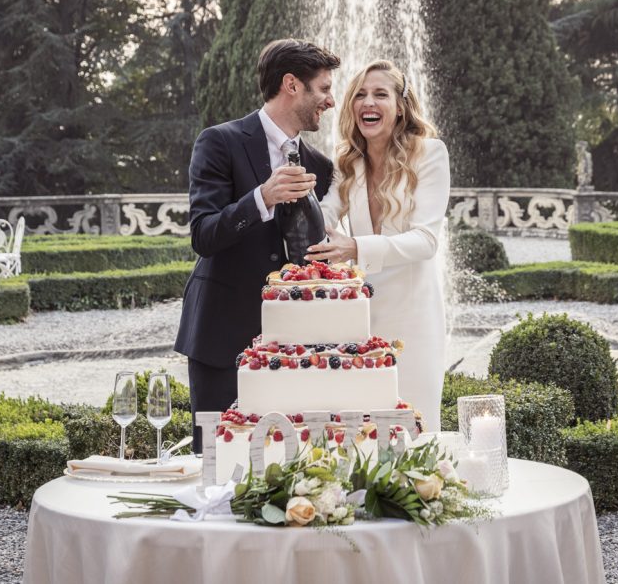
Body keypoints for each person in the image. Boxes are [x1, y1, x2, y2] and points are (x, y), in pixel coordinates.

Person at [174, 39, 340, 452]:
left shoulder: (319, 166)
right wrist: (261, 198)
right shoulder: (219, 142)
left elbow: (310, 255)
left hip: (294, 343)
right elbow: (203, 235)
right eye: (323, 89)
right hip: (223, 336)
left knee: (286, 461)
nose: (331, 101)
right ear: (291, 85)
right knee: (215, 461)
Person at [307, 59, 450, 431]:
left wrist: (353, 247)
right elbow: (322, 218)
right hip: (359, 319)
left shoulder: (430, 154)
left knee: (414, 427)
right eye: (360, 95)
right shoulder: (348, 162)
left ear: (400, 106)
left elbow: (426, 240)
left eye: (380, 94)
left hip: (414, 317)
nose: (368, 103)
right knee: (363, 430)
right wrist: (291, 203)